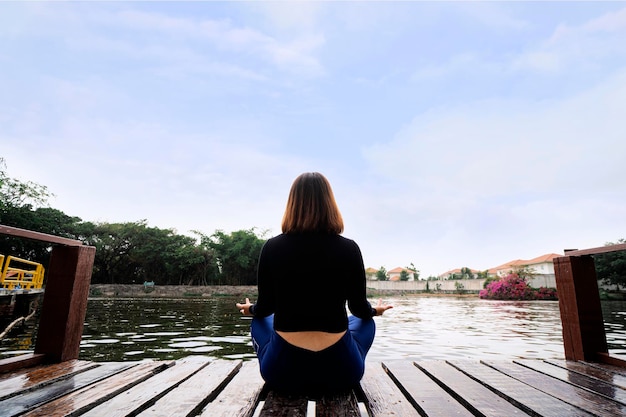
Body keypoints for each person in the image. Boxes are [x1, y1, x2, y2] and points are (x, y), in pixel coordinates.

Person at [236, 172, 392, 395]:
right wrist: (375, 311)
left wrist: (249, 309)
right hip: (341, 373)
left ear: (292, 204)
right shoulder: (349, 249)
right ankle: (346, 355)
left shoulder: (271, 248)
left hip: (282, 374)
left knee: (260, 320)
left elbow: (266, 308)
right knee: (366, 322)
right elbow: (359, 309)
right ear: (330, 203)